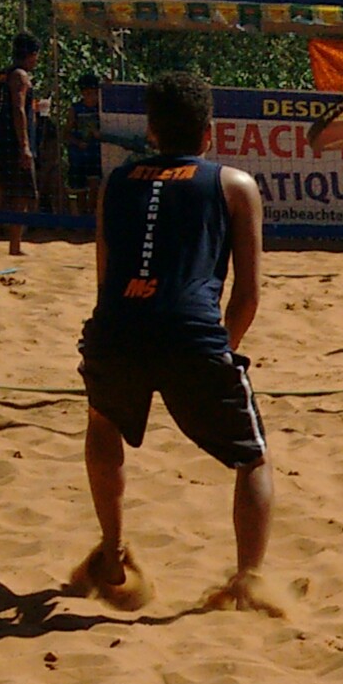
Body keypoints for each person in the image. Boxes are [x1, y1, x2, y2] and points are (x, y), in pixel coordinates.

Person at [70, 71, 281, 616]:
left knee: (102, 421)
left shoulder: (115, 183)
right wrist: (218, 352)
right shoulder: (234, 184)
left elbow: (104, 280)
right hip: (190, 332)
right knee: (253, 457)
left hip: (116, 328)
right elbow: (249, 295)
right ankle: (250, 582)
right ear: (208, 132)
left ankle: (113, 552)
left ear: (151, 131)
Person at [0, 31, 40, 256]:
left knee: (8, 192)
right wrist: (25, 146)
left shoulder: (3, 74)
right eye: (37, 55)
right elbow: (18, 110)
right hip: (14, 143)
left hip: (1, 141)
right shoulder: (20, 76)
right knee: (22, 195)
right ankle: (8, 243)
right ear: (31, 54)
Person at [65, 72, 104, 215]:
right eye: (88, 93)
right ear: (82, 93)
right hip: (79, 157)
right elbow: (66, 134)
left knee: (95, 188)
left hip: (96, 155)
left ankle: (92, 218)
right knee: (80, 192)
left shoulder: (102, 108)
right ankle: (82, 220)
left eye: (94, 93)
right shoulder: (75, 109)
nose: (91, 97)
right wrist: (78, 142)